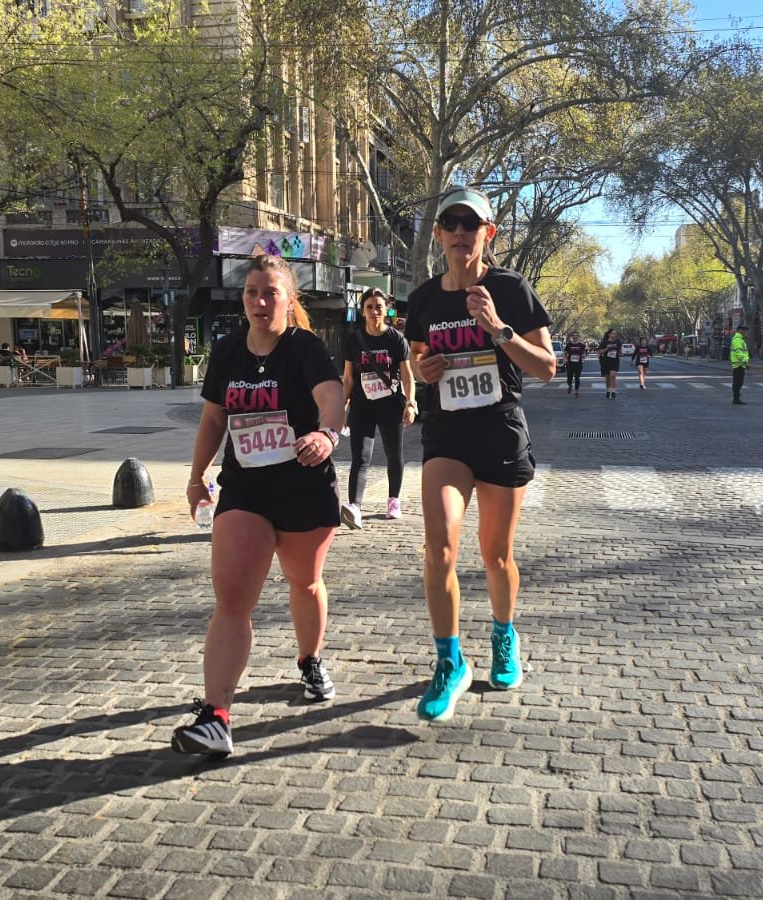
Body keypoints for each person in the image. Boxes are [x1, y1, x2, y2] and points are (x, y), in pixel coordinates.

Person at [172, 254, 347, 755]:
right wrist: (196, 477)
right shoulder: (227, 351)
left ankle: (310, 659)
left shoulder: (306, 348)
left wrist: (326, 435)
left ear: (289, 301)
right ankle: (216, 717)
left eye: (271, 292)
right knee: (232, 598)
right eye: (252, 292)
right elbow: (213, 420)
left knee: (304, 582)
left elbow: (332, 399)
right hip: (245, 490)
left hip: (303, 486)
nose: (260, 301)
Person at [405, 187, 555, 722]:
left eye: (470, 224)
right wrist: (422, 371)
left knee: (496, 555)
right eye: (450, 223)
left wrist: (498, 329)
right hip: (447, 435)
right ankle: (449, 662)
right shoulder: (423, 299)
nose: (459, 232)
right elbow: (417, 358)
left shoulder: (509, 288)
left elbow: (546, 367)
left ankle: (503, 634)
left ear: (488, 233)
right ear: (439, 234)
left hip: (499, 432)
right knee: (439, 549)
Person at [340, 288, 417, 528]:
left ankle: (394, 500)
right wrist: (342, 407)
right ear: (363, 311)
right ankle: (354, 506)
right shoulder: (354, 340)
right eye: (370, 307)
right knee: (360, 457)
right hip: (362, 406)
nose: (374, 311)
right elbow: (348, 378)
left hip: (390, 405)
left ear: (386, 310)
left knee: (394, 454)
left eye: (379, 307)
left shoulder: (395, 339)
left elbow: (407, 376)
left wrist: (410, 402)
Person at [730, 325, 750, 405]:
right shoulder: (738, 340)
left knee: (738, 382)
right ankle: (736, 399)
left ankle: (736, 398)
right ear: (740, 330)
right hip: (739, 364)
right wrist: (745, 361)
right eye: (744, 330)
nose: (745, 332)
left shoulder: (740, 339)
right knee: (738, 382)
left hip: (740, 364)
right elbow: (738, 352)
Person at [562, 331, 586, 397]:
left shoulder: (581, 345)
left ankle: (576, 391)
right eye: (574, 335)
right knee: (569, 377)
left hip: (578, 363)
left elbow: (584, 353)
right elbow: (564, 353)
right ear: (572, 337)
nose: (575, 337)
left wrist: (583, 355)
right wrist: (565, 359)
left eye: (576, 335)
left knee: (577, 377)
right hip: (570, 363)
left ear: (578, 337)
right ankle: (570, 385)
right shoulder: (569, 345)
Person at [598, 328, 621, 398]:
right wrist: (607, 348)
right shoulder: (604, 342)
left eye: (615, 333)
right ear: (609, 334)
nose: (614, 335)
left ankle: (613, 391)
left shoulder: (618, 342)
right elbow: (600, 352)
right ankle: (608, 390)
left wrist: (621, 352)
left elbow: (620, 350)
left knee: (613, 376)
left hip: (615, 361)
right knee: (608, 377)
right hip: (606, 361)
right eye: (613, 333)